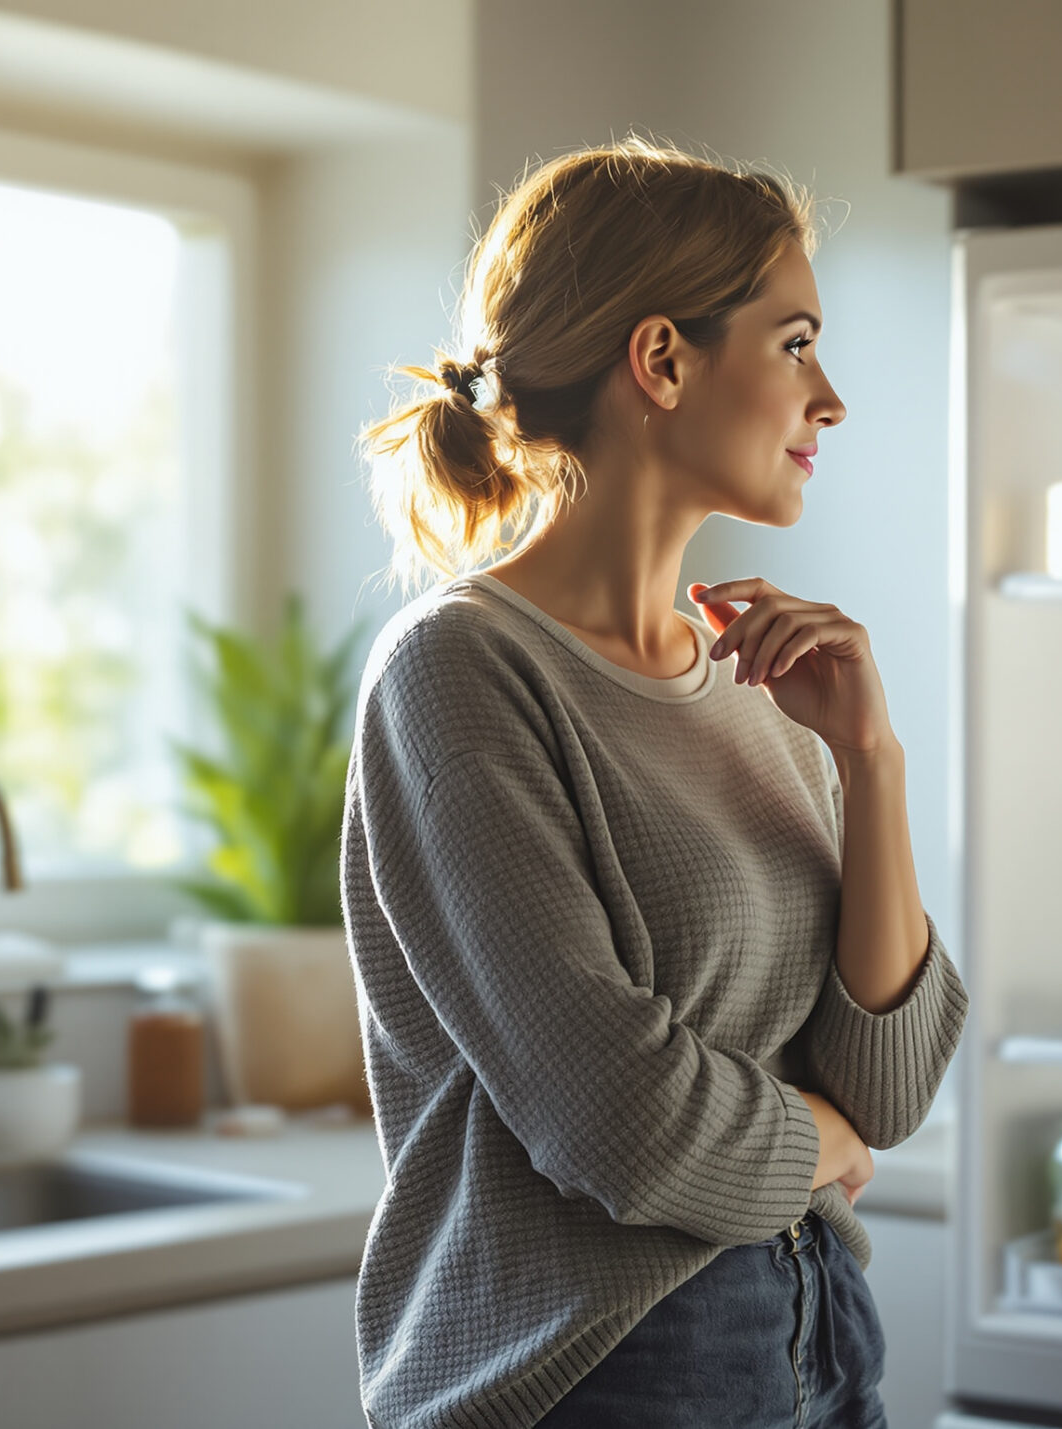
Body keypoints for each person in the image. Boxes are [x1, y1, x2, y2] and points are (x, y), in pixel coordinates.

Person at [343, 138, 966, 1429]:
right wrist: (819, 1145)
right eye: (797, 343)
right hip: (598, 1369)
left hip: (823, 1335)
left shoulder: (765, 684)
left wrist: (872, 757)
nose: (830, 396)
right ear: (663, 360)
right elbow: (619, 1120)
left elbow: (889, 1090)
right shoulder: (457, 671)